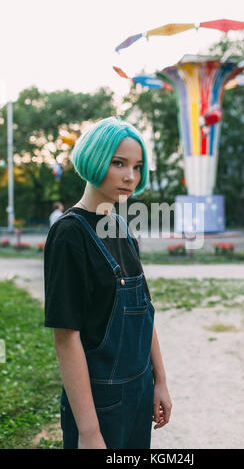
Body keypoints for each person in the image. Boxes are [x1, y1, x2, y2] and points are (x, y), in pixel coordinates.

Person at [43, 116, 172, 449]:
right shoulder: (69, 234)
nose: (130, 176)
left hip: (140, 391)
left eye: (138, 166)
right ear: (95, 159)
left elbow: (145, 311)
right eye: (119, 163)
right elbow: (66, 338)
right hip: (101, 403)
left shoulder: (122, 228)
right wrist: (89, 432)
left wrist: (160, 381)